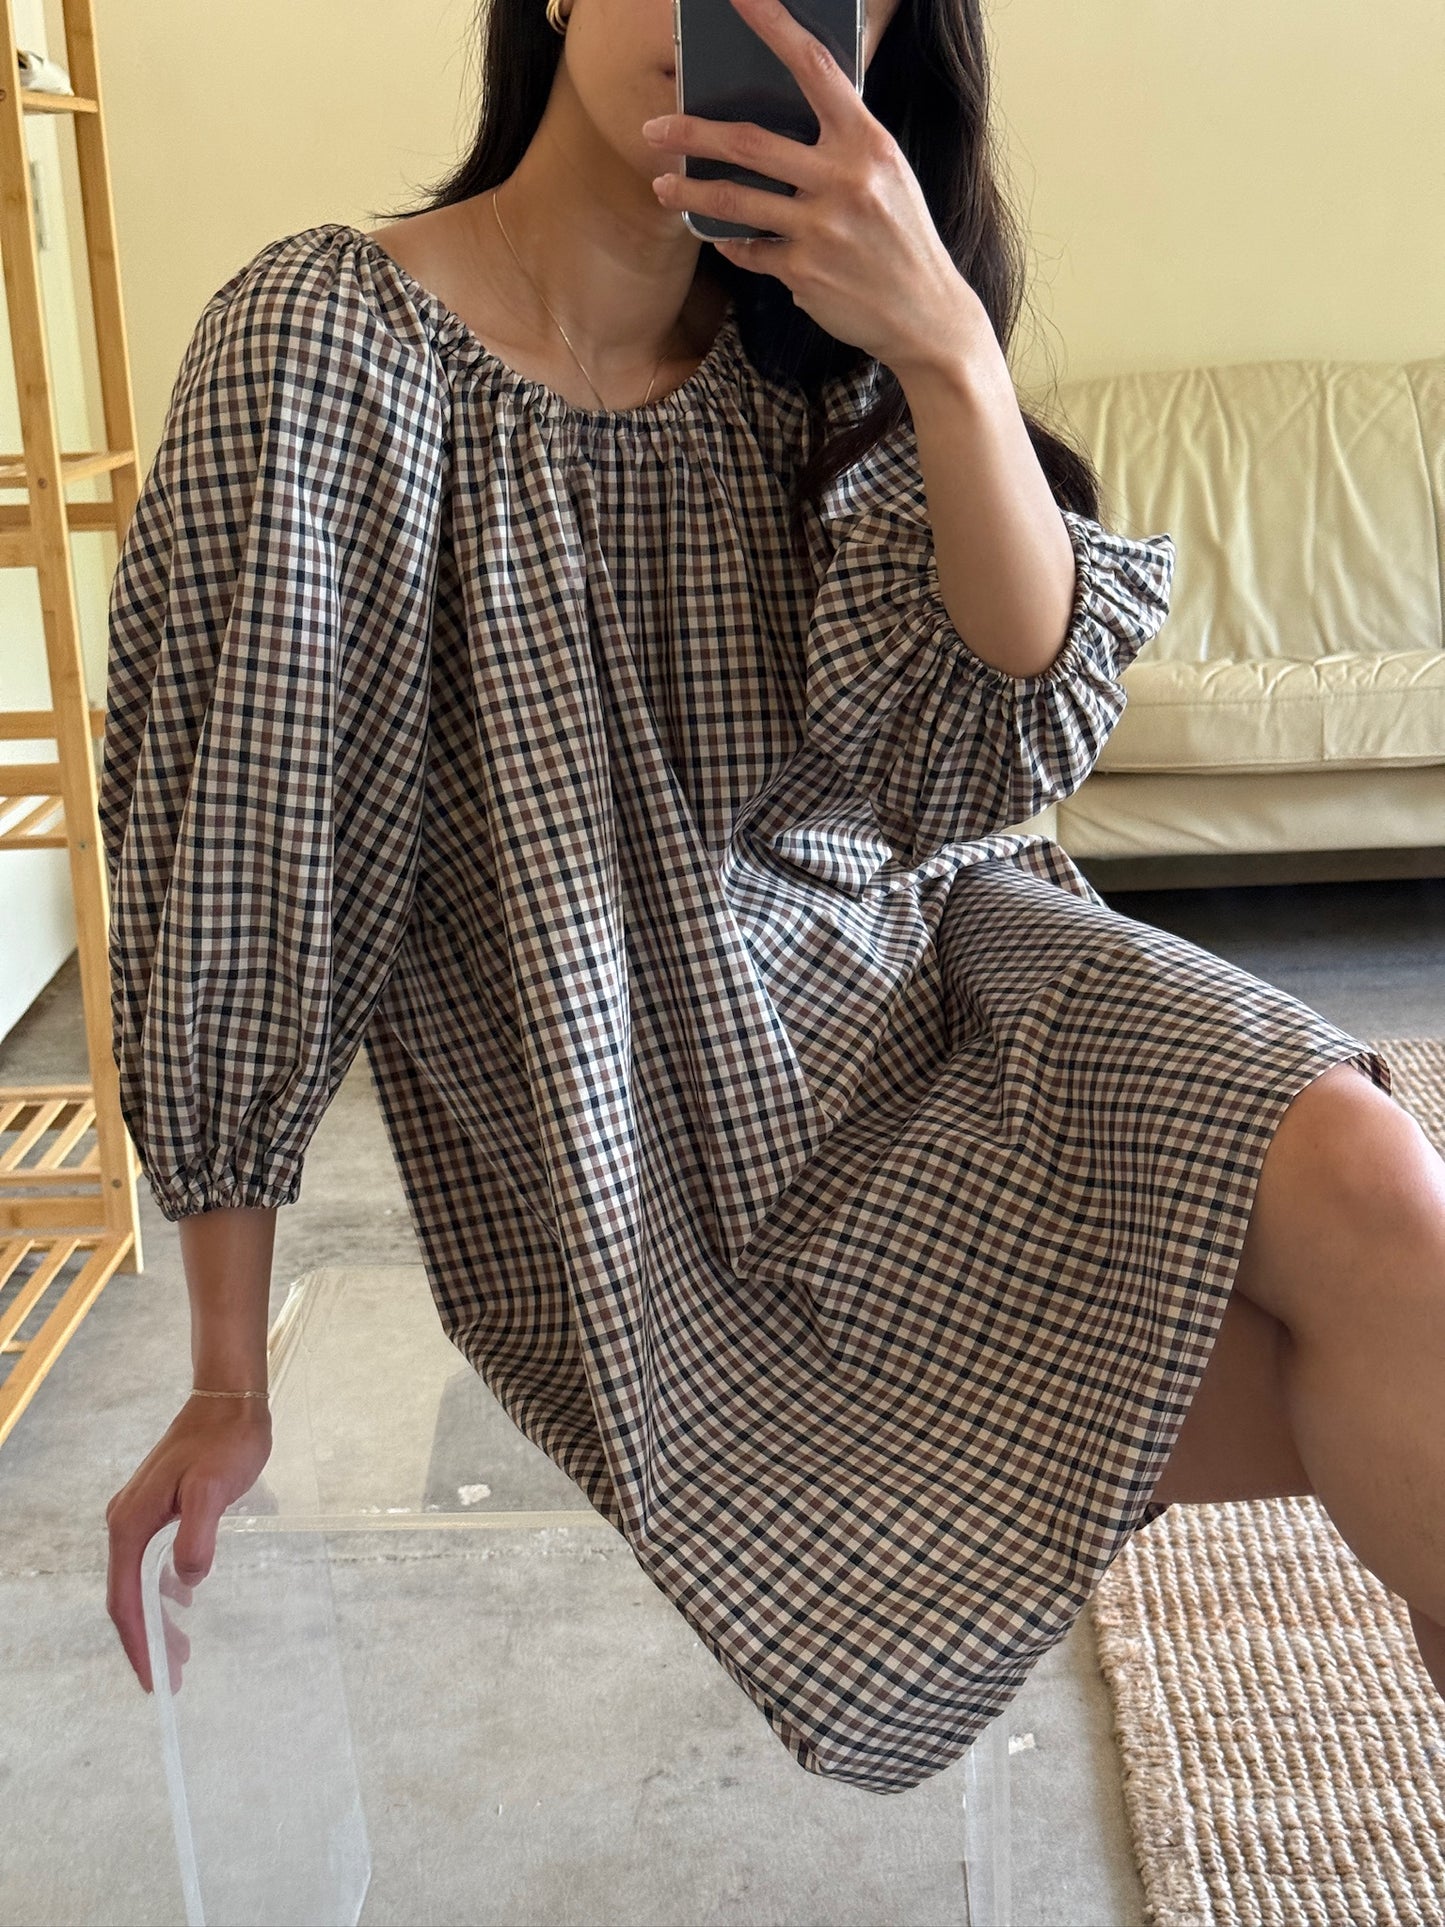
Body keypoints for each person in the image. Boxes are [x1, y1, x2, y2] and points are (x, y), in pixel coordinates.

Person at [101, 0, 1445, 1795]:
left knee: (1377, 1187)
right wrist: (225, 1374)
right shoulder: (325, 344)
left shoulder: (820, 353)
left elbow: (990, 746)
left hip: (954, 966)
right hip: (661, 1137)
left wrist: (944, 347)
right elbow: (242, 858)